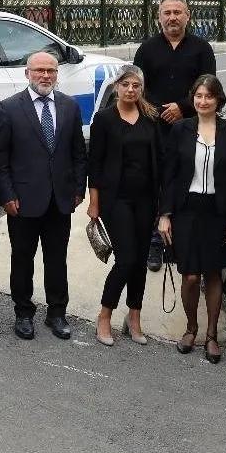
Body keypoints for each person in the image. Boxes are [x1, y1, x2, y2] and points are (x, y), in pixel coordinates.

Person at [0, 51, 87, 341]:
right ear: (27, 74)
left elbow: (78, 154)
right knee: (22, 259)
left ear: (57, 74)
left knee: (57, 259)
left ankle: (57, 313)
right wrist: (6, 194)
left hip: (60, 200)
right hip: (22, 201)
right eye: (39, 71)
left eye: (51, 71)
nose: (45, 76)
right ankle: (23, 313)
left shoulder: (69, 106)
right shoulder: (9, 108)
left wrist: (78, 189)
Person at [157, 74, 226, 364]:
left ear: (218, 99)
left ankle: (211, 335)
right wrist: (165, 214)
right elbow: (168, 175)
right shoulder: (181, 129)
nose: (203, 101)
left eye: (208, 96)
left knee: (213, 273)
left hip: (217, 212)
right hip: (186, 210)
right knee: (191, 274)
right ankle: (191, 328)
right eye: (198, 96)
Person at [133, 0, 217, 271]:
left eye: (177, 12)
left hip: (192, 127)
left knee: (189, 181)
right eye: (167, 12)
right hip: (154, 129)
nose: (172, 17)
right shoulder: (147, 50)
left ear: (187, 16)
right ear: (159, 17)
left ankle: (183, 240)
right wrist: (158, 110)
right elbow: (137, 89)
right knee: (157, 183)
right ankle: (155, 242)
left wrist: (182, 107)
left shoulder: (201, 49)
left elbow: (209, 86)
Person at [86, 65, 163, 346]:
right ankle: (104, 315)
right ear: (116, 87)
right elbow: (94, 164)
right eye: (126, 84)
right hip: (115, 199)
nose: (131, 90)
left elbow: (160, 161)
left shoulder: (150, 119)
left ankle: (134, 317)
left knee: (140, 261)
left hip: (145, 199)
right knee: (127, 259)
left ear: (142, 89)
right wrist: (94, 202)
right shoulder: (104, 120)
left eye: (136, 86)